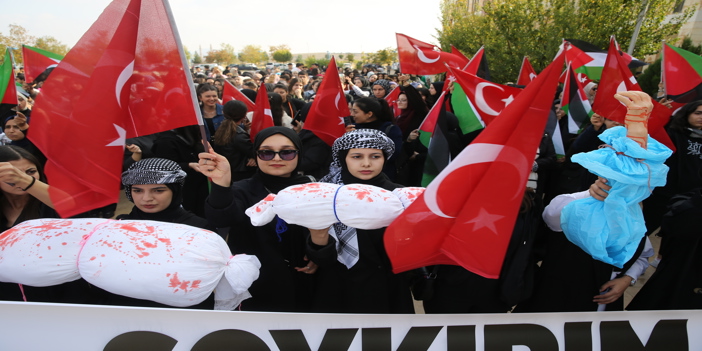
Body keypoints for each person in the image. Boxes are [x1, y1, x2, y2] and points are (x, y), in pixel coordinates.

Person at [194, 127, 316, 312]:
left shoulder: (315, 190)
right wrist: (221, 183)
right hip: (257, 286)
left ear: (299, 154)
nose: (276, 158)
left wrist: (318, 254)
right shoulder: (242, 190)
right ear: (256, 155)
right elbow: (221, 218)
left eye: (287, 152)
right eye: (266, 153)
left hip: (308, 285)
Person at [305, 129, 414, 313]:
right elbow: (319, 257)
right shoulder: (325, 195)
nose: (366, 163)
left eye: (375, 156)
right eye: (356, 156)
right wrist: (318, 237)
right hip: (337, 290)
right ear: (343, 158)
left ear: (384, 158)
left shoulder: (400, 196)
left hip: (387, 290)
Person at [642, 101, 702, 235]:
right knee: (645, 228)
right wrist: (661, 112)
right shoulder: (673, 132)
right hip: (664, 193)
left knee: (679, 234)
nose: (701, 117)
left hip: (692, 197)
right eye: (697, 113)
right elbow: (654, 130)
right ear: (686, 114)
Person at [349, 97, 402, 181]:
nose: (351, 114)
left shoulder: (390, 129)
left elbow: (393, 154)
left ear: (369, 114)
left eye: (355, 111)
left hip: (383, 176)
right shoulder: (352, 129)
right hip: (355, 176)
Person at [212, 100, 256, 182]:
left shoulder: (222, 129)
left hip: (228, 172)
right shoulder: (238, 135)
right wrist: (253, 157)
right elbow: (254, 152)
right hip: (241, 175)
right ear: (244, 116)